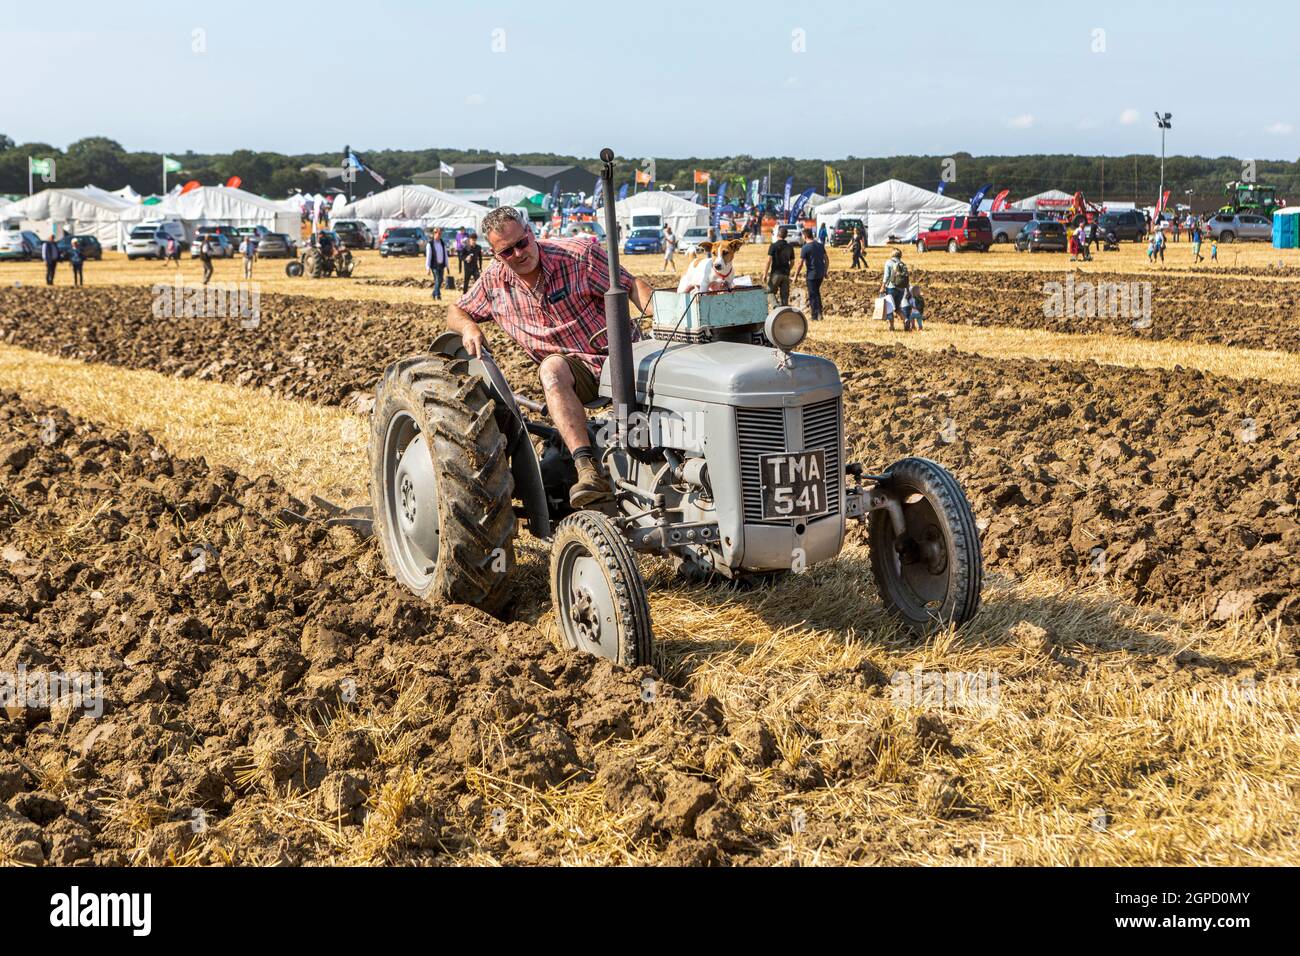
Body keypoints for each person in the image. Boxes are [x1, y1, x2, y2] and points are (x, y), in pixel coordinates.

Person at [446, 205, 656, 508]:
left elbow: (632, 286)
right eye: (507, 252)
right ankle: (588, 471)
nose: (519, 254)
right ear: (495, 255)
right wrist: (468, 328)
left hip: (620, 357)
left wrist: (669, 318)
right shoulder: (494, 283)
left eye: (522, 243)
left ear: (531, 234)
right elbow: (456, 310)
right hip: (573, 371)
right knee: (551, 370)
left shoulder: (578, 256)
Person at [793, 227, 829, 320]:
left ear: (805, 236)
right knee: (816, 292)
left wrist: (795, 276)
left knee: (812, 294)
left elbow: (800, 263)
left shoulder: (805, 248)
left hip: (811, 274)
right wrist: (825, 271)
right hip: (820, 274)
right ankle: (820, 312)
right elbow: (826, 260)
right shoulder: (820, 245)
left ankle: (814, 315)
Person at [763, 226, 795, 306]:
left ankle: (776, 307)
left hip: (776, 273)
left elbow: (768, 261)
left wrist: (765, 274)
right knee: (784, 297)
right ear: (786, 236)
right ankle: (784, 314)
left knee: (769, 292)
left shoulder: (773, 246)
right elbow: (792, 262)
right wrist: (788, 269)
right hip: (786, 274)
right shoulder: (790, 247)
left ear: (777, 234)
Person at [880, 248, 909, 331]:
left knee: (890, 308)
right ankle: (906, 320)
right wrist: (907, 290)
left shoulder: (889, 262)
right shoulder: (903, 264)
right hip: (901, 289)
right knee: (897, 308)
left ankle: (891, 326)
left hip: (891, 288)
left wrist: (883, 286)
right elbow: (906, 278)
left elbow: (886, 276)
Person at [425, 226, 449, 299]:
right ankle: (438, 295)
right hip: (434, 265)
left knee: (440, 280)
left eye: (439, 233)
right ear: (434, 234)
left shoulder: (442, 243)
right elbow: (428, 256)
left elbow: (445, 254)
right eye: (436, 233)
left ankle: (434, 293)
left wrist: (447, 265)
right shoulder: (430, 244)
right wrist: (427, 267)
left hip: (441, 265)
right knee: (438, 279)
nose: (438, 235)